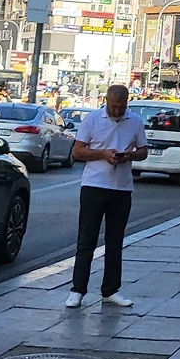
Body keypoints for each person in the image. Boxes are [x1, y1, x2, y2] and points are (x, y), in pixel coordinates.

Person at [66, 84, 149, 308]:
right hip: (94, 185)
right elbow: (78, 151)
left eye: (121, 107)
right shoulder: (92, 119)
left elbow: (143, 151)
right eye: (113, 106)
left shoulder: (135, 121)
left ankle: (110, 290)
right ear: (106, 101)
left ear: (127, 103)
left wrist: (129, 156)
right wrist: (103, 153)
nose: (117, 111)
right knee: (86, 239)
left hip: (122, 188)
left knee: (115, 241)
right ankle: (77, 290)